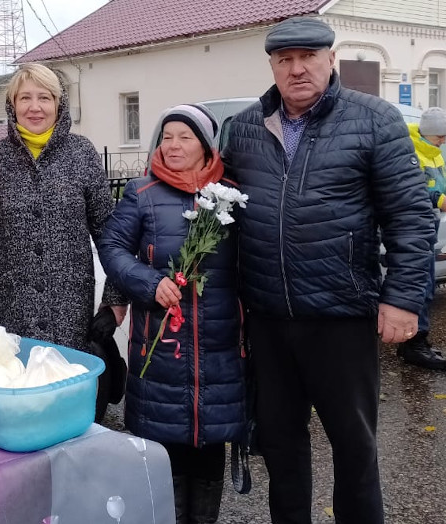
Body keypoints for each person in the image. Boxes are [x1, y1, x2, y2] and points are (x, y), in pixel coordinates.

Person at [222, 16, 434, 524]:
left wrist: (403, 298)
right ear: (272, 66)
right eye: (285, 60)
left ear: (331, 60)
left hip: (342, 317)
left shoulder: (374, 119)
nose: (297, 70)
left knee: (354, 449)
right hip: (269, 320)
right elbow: (221, 212)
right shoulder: (246, 129)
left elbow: (410, 214)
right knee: (280, 446)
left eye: (309, 57)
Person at [98, 105, 246, 524]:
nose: (174, 145)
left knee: (210, 443)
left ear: (205, 145)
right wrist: (148, 283)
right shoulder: (142, 193)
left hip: (219, 345)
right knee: (166, 450)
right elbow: (112, 248)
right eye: (167, 137)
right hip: (161, 346)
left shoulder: (230, 194)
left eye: (185, 137)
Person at [0, 63, 127, 354]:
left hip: (69, 304)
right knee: (17, 385)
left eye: (44, 98)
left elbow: (109, 231)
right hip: (11, 303)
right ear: (12, 105)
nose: (35, 107)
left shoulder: (81, 153)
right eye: (25, 98)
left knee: (65, 385)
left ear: (58, 104)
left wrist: (115, 300)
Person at [397, 107, 446, 369]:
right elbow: (412, 189)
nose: (444, 141)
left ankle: (414, 343)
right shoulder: (413, 152)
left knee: (426, 286)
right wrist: (440, 200)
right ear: (430, 134)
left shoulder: (434, 152)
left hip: (429, 225)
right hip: (415, 227)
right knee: (421, 287)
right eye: (441, 136)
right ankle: (414, 345)